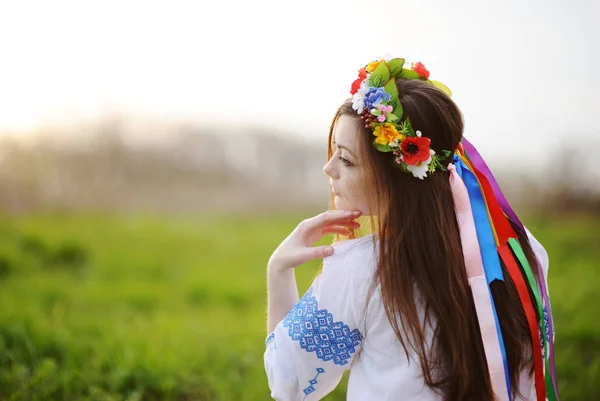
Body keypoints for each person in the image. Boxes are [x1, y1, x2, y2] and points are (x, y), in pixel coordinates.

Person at [264, 57, 558, 401]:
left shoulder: (361, 270)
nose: (329, 168)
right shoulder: (520, 250)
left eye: (346, 159)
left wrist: (279, 269)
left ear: (397, 177)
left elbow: (289, 383)